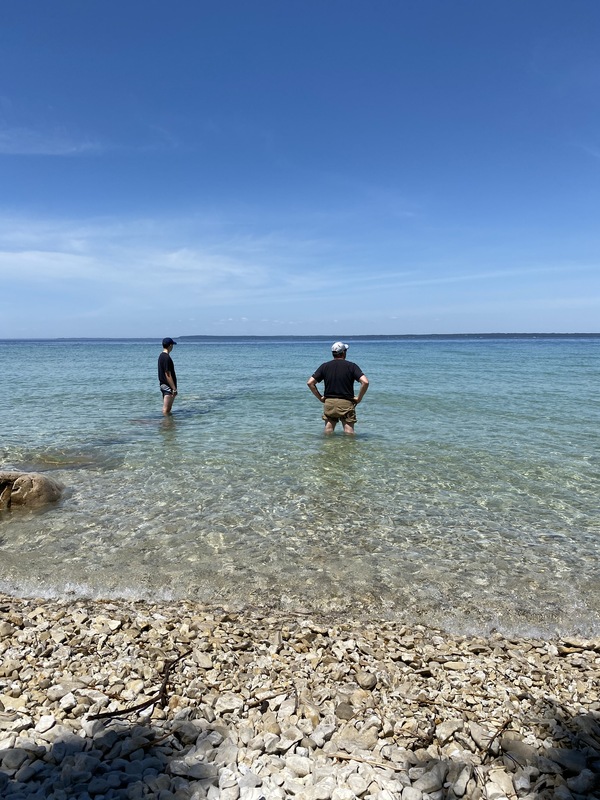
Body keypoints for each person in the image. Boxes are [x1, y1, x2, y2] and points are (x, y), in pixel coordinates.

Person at [307, 341, 369, 434]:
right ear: (343, 353)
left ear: (333, 353)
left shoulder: (325, 366)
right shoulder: (351, 366)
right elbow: (365, 382)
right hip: (346, 403)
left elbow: (310, 383)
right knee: (349, 432)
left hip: (329, 402)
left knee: (328, 431)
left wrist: (320, 398)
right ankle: (349, 448)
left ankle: (327, 447)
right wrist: (359, 398)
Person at [158, 337, 178, 415]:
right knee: (166, 409)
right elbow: (168, 374)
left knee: (168, 408)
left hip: (164, 385)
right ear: (170, 345)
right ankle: (165, 425)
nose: (172, 347)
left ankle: (167, 424)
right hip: (167, 385)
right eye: (172, 345)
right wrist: (174, 388)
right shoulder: (166, 358)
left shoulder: (161, 356)